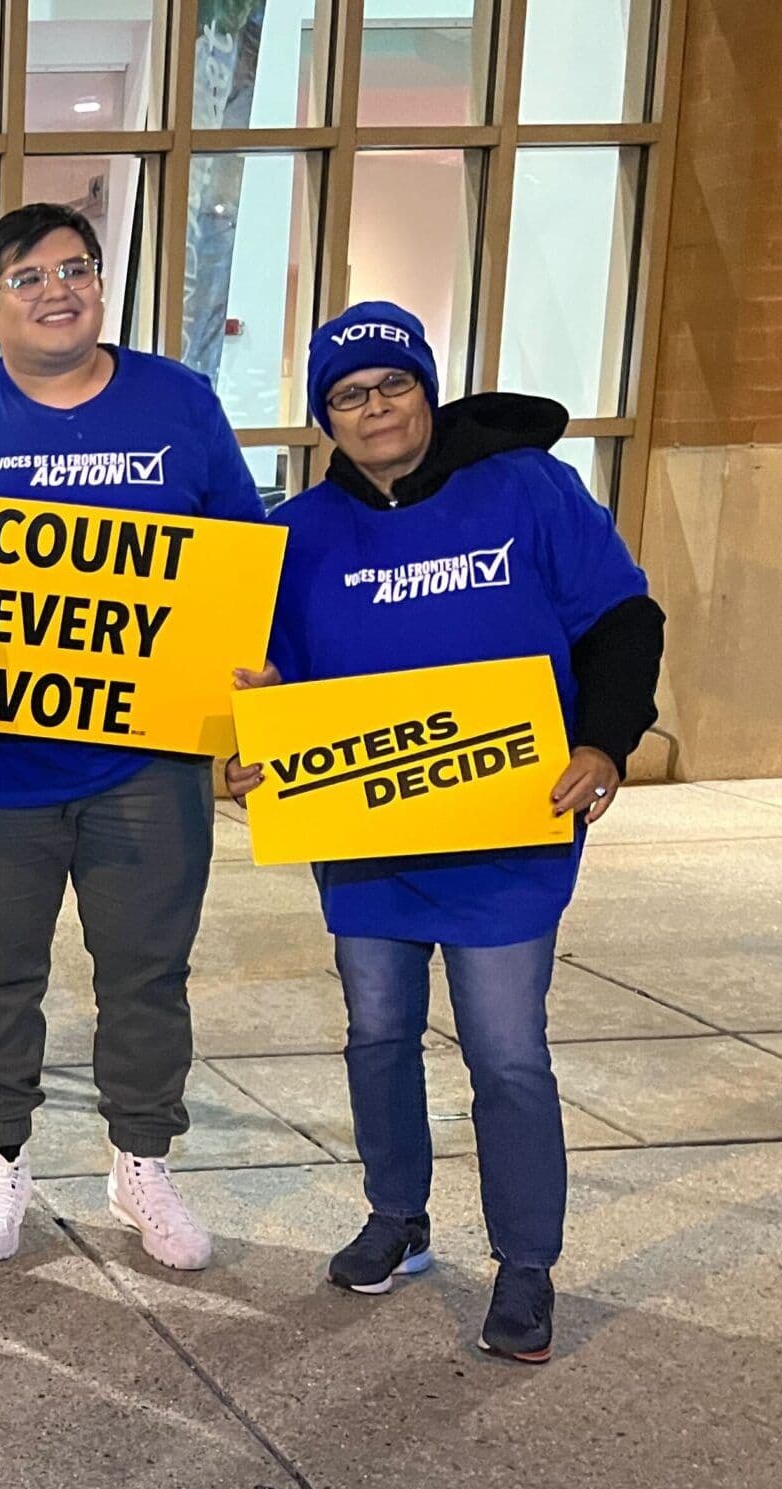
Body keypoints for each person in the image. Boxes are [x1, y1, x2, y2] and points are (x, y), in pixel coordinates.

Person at [226, 301, 662, 1363]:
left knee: (506, 1051)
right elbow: (261, 678)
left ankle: (525, 1264)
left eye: (392, 385)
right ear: (324, 415)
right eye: (348, 395)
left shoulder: (528, 489)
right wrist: (247, 755)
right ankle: (397, 1214)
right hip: (367, 838)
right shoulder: (298, 535)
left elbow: (622, 619)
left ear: (427, 388)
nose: (374, 408)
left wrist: (603, 744)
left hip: (504, 831)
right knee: (376, 1031)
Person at [0, 201, 268, 1273]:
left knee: (146, 974)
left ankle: (139, 1158)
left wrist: (250, 708)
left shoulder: (180, 404)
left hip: (144, 764)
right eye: (27, 277)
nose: (58, 289)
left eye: (77, 268)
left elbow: (242, 567)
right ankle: (0, 1153)